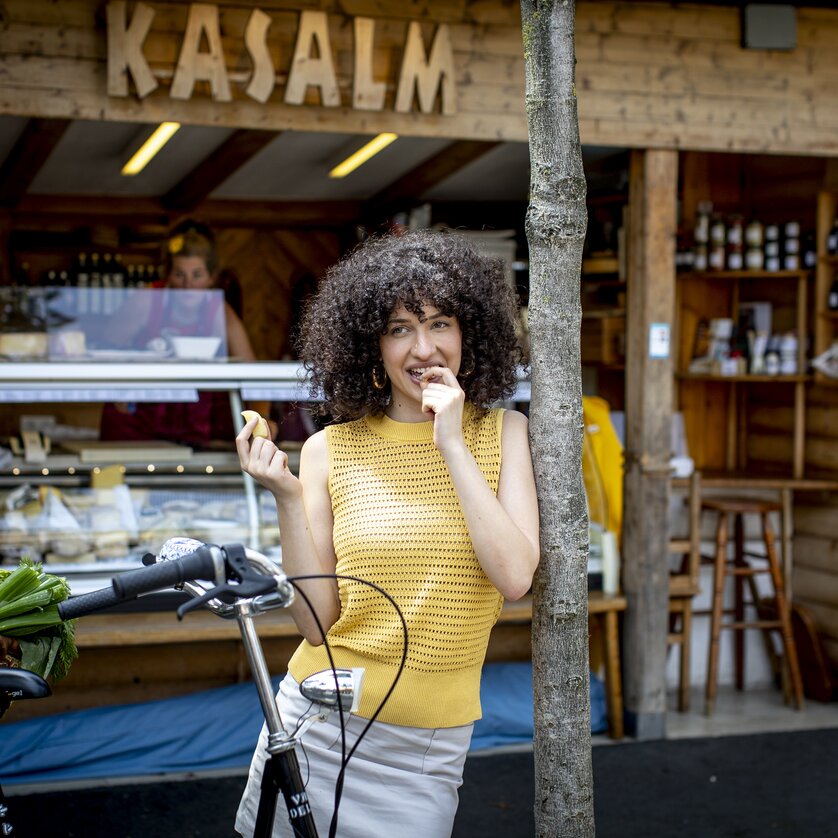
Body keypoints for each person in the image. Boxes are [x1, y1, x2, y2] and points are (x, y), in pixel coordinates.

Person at [234, 229, 540, 838]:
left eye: (440, 323)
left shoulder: (503, 433)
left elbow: (513, 578)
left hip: (426, 753)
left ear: (468, 333)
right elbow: (318, 621)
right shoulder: (329, 448)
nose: (423, 347)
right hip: (314, 725)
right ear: (371, 345)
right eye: (399, 328)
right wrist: (288, 498)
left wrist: (450, 441)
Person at [99, 220, 274, 447]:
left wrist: (262, 423)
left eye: (197, 275)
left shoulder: (220, 312)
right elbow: (107, 350)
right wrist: (118, 389)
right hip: (137, 423)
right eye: (180, 274)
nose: (187, 285)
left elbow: (253, 376)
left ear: (211, 277)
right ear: (168, 274)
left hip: (192, 428)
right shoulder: (147, 300)